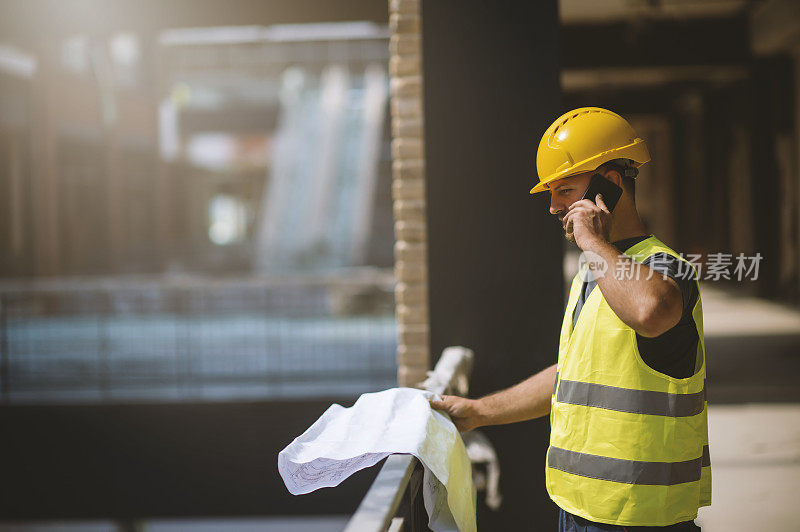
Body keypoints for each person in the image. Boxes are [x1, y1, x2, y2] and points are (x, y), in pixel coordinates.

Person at [430, 107, 710, 531]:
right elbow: (573, 376)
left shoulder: (663, 268)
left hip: (641, 517)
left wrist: (593, 241)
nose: (553, 207)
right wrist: (478, 412)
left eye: (564, 191)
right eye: (550, 194)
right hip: (578, 509)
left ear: (610, 185)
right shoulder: (595, 270)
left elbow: (651, 312)